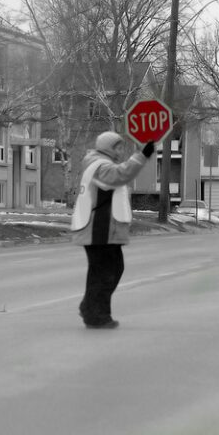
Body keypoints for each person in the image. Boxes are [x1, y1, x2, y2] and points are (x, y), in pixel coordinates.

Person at [70, 132, 155, 329]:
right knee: (105, 272)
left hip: (103, 229)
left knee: (110, 270)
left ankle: (90, 307)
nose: (121, 151)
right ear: (107, 147)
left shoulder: (99, 163)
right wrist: (141, 156)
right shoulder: (99, 165)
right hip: (98, 229)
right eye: (118, 147)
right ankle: (96, 315)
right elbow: (119, 176)